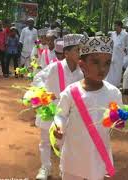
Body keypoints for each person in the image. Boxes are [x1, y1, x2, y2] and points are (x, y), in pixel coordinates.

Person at [54, 36, 120, 180]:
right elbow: (60, 114)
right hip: (73, 154)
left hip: (97, 155)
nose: (102, 68)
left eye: (107, 63)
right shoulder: (71, 92)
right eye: (95, 62)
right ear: (82, 65)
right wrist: (58, 126)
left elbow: (119, 122)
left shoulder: (114, 93)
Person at [32, 38, 83, 180]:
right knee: (45, 141)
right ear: (66, 53)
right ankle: (45, 168)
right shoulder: (55, 67)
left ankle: (64, 170)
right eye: (77, 50)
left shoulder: (82, 71)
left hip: (70, 113)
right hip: (51, 109)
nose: (81, 53)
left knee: (67, 142)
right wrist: (45, 93)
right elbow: (37, 78)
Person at [105, 20, 128, 87]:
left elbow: (127, 45)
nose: (114, 27)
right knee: (110, 70)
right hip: (112, 54)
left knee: (118, 71)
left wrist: (125, 51)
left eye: (116, 25)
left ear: (120, 26)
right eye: (114, 25)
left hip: (120, 56)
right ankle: (109, 84)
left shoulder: (125, 34)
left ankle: (116, 85)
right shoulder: (113, 34)